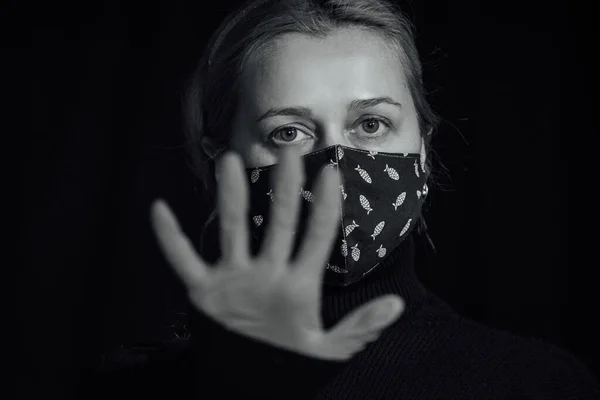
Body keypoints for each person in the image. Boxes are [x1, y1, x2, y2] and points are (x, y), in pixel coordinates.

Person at [91, 0, 600, 398]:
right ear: (224, 162)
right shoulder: (139, 388)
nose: (337, 164)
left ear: (423, 146)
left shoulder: (535, 385)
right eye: (289, 132)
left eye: (371, 124)